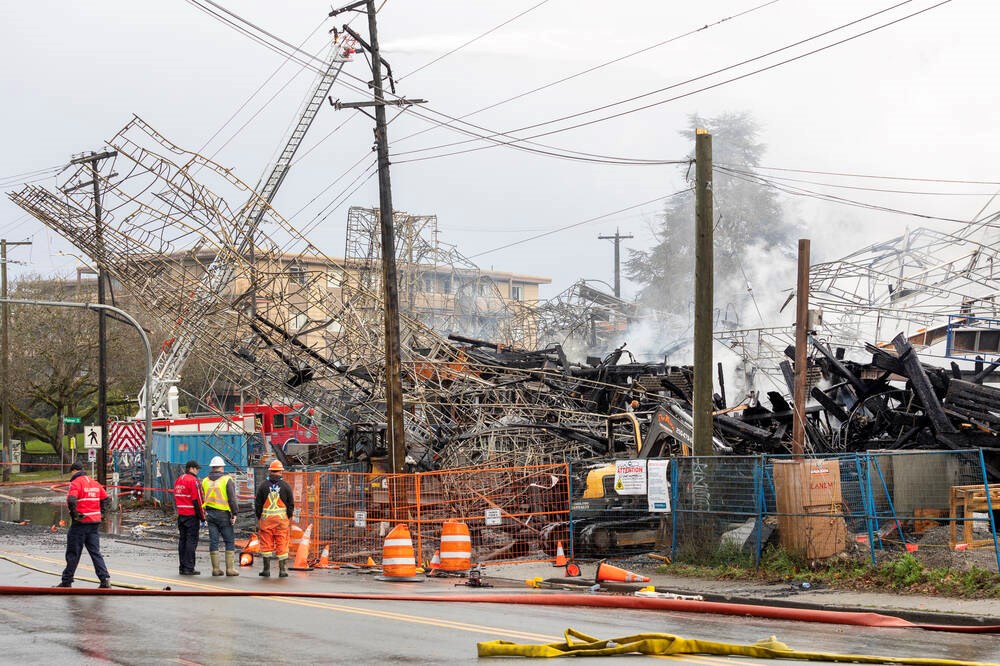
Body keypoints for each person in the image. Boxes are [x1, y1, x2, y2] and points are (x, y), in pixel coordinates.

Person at [56, 461, 111, 588]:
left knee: (73, 552)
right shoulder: (94, 482)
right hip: (94, 523)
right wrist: (101, 514)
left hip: (80, 523)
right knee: (95, 552)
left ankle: (67, 581)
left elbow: (71, 499)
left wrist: (75, 515)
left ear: (74, 471)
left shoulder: (76, 483)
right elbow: (106, 499)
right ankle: (105, 579)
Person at [254, 460, 294, 578]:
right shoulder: (285, 486)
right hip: (281, 522)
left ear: (270, 471)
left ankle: (266, 570)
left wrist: (259, 517)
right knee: (282, 543)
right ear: (281, 471)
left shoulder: (263, 486)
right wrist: (288, 516)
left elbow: (258, 504)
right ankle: (282, 570)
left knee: (266, 545)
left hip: (266, 522)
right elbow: (291, 504)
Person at [201, 456, 239, 576]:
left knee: (214, 541)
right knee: (229, 541)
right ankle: (230, 569)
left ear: (212, 467)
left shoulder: (205, 481)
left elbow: (203, 497)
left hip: (210, 515)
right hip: (223, 514)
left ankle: (216, 569)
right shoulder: (227, 479)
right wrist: (235, 513)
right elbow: (232, 499)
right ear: (222, 467)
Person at [174, 459, 205, 575]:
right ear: (191, 468)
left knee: (182, 541)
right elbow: (197, 500)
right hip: (191, 515)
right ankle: (189, 567)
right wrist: (202, 518)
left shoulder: (178, 480)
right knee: (191, 542)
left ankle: (182, 566)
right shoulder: (193, 481)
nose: (197, 471)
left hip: (181, 514)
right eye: (197, 469)